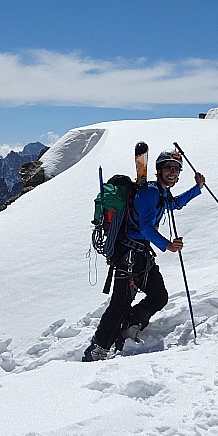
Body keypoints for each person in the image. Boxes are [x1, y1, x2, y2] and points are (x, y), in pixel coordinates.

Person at [83, 149, 206, 361]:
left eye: (176, 169)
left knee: (158, 296)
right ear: (158, 170)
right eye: (168, 167)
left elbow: (172, 204)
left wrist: (197, 188)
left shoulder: (160, 192)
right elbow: (146, 227)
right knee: (119, 303)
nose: (172, 172)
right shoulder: (150, 193)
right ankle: (97, 348)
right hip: (128, 255)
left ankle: (128, 325)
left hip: (140, 255)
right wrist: (168, 245)